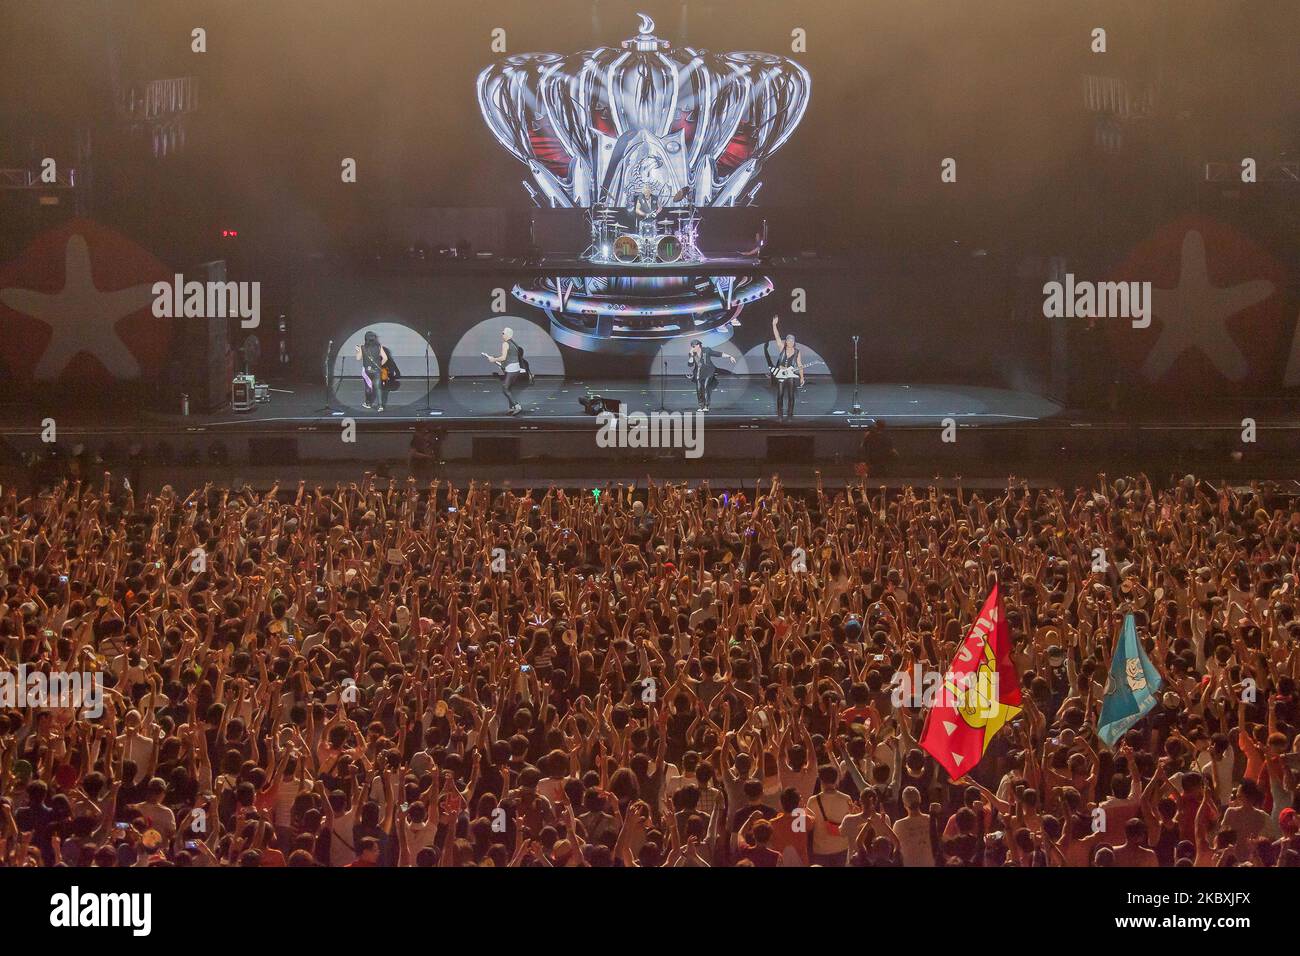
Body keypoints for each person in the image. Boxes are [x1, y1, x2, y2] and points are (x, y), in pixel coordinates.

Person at [482, 327, 524, 415]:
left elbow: (503, 358)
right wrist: (496, 358)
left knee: (505, 388)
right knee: (509, 388)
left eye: (503, 333)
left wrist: (493, 360)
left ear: (508, 334)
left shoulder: (505, 344)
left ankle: (517, 406)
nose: (502, 334)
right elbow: (509, 356)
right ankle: (511, 407)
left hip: (511, 369)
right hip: (516, 369)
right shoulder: (514, 343)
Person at [770, 314, 804, 420]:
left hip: (790, 376)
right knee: (780, 395)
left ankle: (790, 414)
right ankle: (780, 414)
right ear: (786, 341)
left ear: (794, 342)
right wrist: (774, 325)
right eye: (788, 340)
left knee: (791, 396)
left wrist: (802, 377)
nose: (790, 342)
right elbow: (777, 336)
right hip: (780, 375)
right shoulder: (782, 348)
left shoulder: (797, 351)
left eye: (792, 340)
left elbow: (800, 365)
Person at [686, 339, 735, 412]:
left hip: (709, 372)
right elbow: (690, 364)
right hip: (699, 374)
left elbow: (718, 354)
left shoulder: (706, 350)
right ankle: (701, 406)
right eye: (692, 346)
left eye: (693, 346)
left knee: (706, 388)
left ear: (698, 345)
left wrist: (729, 356)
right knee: (699, 389)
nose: (692, 348)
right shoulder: (692, 353)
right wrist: (691, 356)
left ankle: (706, 406)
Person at [354, 331, 390, 411]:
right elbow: (385, 358)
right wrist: (379, 365)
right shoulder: (379, 347)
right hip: (377, 370)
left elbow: (358, 358)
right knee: (378, 387)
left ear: (365, 338)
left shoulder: (362, 347)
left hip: (366, 370)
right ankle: (380, 406)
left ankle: (368, 403)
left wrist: (357, 350)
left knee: (368, 387)